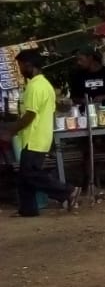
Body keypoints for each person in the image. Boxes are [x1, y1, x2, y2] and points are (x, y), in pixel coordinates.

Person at [0, 49, 79, 216]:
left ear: (29, 65)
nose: (20, 70)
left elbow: (30, 115)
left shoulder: (36, 87)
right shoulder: (43, 85)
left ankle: (67, 192)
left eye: (21, 66)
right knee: (24, 175)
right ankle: (27, 209)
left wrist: (11, 131)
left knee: (31, 174)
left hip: (34, 138)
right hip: (38, 137)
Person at [69, 47, 105, 188]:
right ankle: (90, 181)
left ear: (91, 58)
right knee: (87, 150)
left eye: (81, 59)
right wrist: (84, 101)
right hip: (85, 116)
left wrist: (103, 97)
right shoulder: (78, 76)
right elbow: (74, 98)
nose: (78, 62)